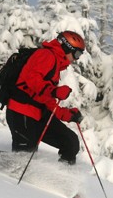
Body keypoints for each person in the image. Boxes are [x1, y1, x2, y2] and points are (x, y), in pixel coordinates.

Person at [5, 31, 85, 165]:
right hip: (22, 112)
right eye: (77, 54)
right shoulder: (46, 55)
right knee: (24, 159)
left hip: (38, 114)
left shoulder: (55, 64)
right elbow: (32, 80)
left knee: (70, 142)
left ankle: (64, 177)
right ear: (67, 47)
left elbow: (45, 97)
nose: (76, 59)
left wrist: (65, 114)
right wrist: (55, 91)